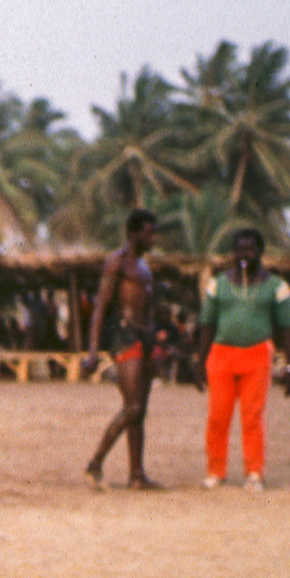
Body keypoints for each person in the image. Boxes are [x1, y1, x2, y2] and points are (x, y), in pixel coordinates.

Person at [194, 229, 290, 492]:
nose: (244, 255)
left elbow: (287, 327)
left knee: (252, 417)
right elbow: (206, 323)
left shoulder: (277, 286)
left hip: (257, 355)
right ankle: (215, 471)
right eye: (239, 249)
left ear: (260, 253)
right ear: (233, 253)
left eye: (250, 249)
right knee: (218, 416)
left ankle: (254, 472)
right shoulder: (218, 284)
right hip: (221, 355)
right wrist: (200, 360)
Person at [83, 210, 165, 491]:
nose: (154, 238)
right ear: (134, 234)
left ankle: (137, 475)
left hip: (144, 338)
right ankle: (96, 461)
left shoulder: (143, 267)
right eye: (149, 232)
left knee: (140, 411)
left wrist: (155, 345)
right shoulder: (117, 264)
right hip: (124, 337)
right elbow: (100, 307)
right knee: (133, 406)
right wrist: (93, 350)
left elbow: (149, 309)